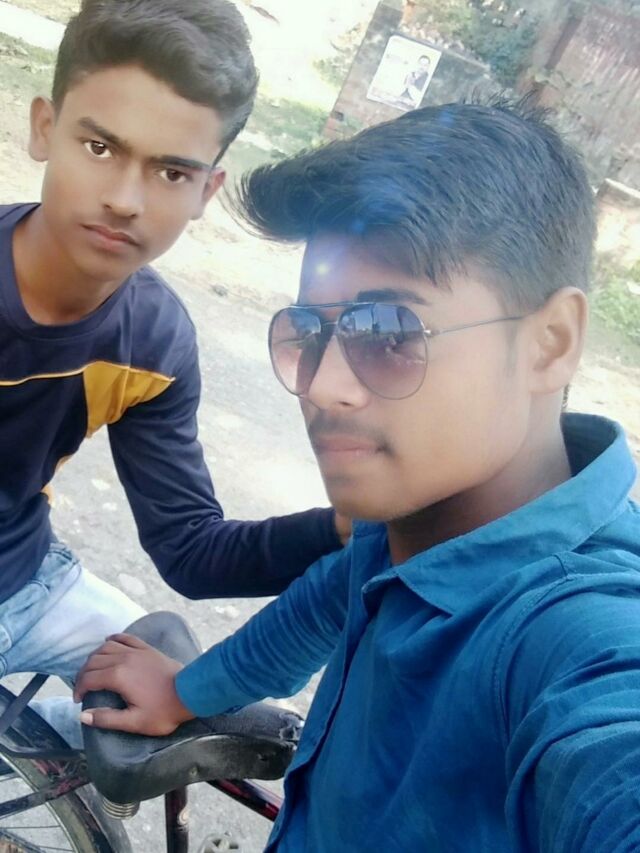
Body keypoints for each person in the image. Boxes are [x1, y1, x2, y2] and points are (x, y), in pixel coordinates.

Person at [76, 99, 640, 850]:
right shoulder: (412, 522)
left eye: (389, 331)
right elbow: (323, 602)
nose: (323, 385)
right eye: (309, 331)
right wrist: (187, 691)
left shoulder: (578, 637)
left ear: (551, 343)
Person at [0, 0, 348, 731]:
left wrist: (341, 528)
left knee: (206, 722)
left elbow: (189, 547)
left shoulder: (154, 342)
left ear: (206, 192)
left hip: (27, 581)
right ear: (43, 128)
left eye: (170, 171)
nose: (125, 200)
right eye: (100, 147)